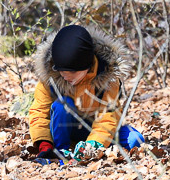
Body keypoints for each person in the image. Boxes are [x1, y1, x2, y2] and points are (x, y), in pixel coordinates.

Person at [28, 24, 144, 162]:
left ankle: (95, 151)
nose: (65, 76)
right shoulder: (51, 76)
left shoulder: (108, 78)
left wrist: (90, 147)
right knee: (62, 105)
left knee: (136, 140)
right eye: (61, 71)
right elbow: (39, 111)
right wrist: (44, 143)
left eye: (71, 72)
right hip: (65, 130)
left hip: (98, 132)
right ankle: (61, 152)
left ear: (87, 65)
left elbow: (108, 117)